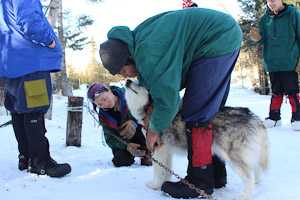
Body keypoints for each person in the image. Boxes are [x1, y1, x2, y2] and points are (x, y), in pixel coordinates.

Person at [99, 8, 242, 198]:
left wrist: (152, 134)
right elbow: (156, 86)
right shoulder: (137, 42)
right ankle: (215, 175)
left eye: (124, 70)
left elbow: (168, 101)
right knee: (208, 110)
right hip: (220, 34)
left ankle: (199, 182)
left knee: (196, 112)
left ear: (129, 57)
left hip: (216, 38)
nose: (126, 76)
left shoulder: (148, 53)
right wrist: (151, 111)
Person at [0, 0, 71, 177]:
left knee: (19, 111)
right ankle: (41, 162)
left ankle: (25, 157)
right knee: (34, 110)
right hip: (30, 61)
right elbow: (30, 22)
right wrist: (51, 42)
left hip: (10, 62)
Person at [250, 0, 300, 131]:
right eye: (268, 1)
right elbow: (263, 42)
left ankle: (298, 118)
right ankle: (274, 118)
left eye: (273, 0)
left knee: (292, 92)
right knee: (276, 92)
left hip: (289, 60)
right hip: (272, 62)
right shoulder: (264, 19)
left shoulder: (292, 14)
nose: (271, 3)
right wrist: (258, 39)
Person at [87, 83, 152, 167]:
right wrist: (126, 146)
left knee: (143, 129)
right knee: (122, 160)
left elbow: (148, 110)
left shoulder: (129, 94)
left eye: (104, 99)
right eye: (100, 104)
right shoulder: (104, 116)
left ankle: (146, 151)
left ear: (108, 90)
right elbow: (110, 138)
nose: (105, 104)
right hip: (124, 141)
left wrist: (135, 122)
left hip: (141, 132)